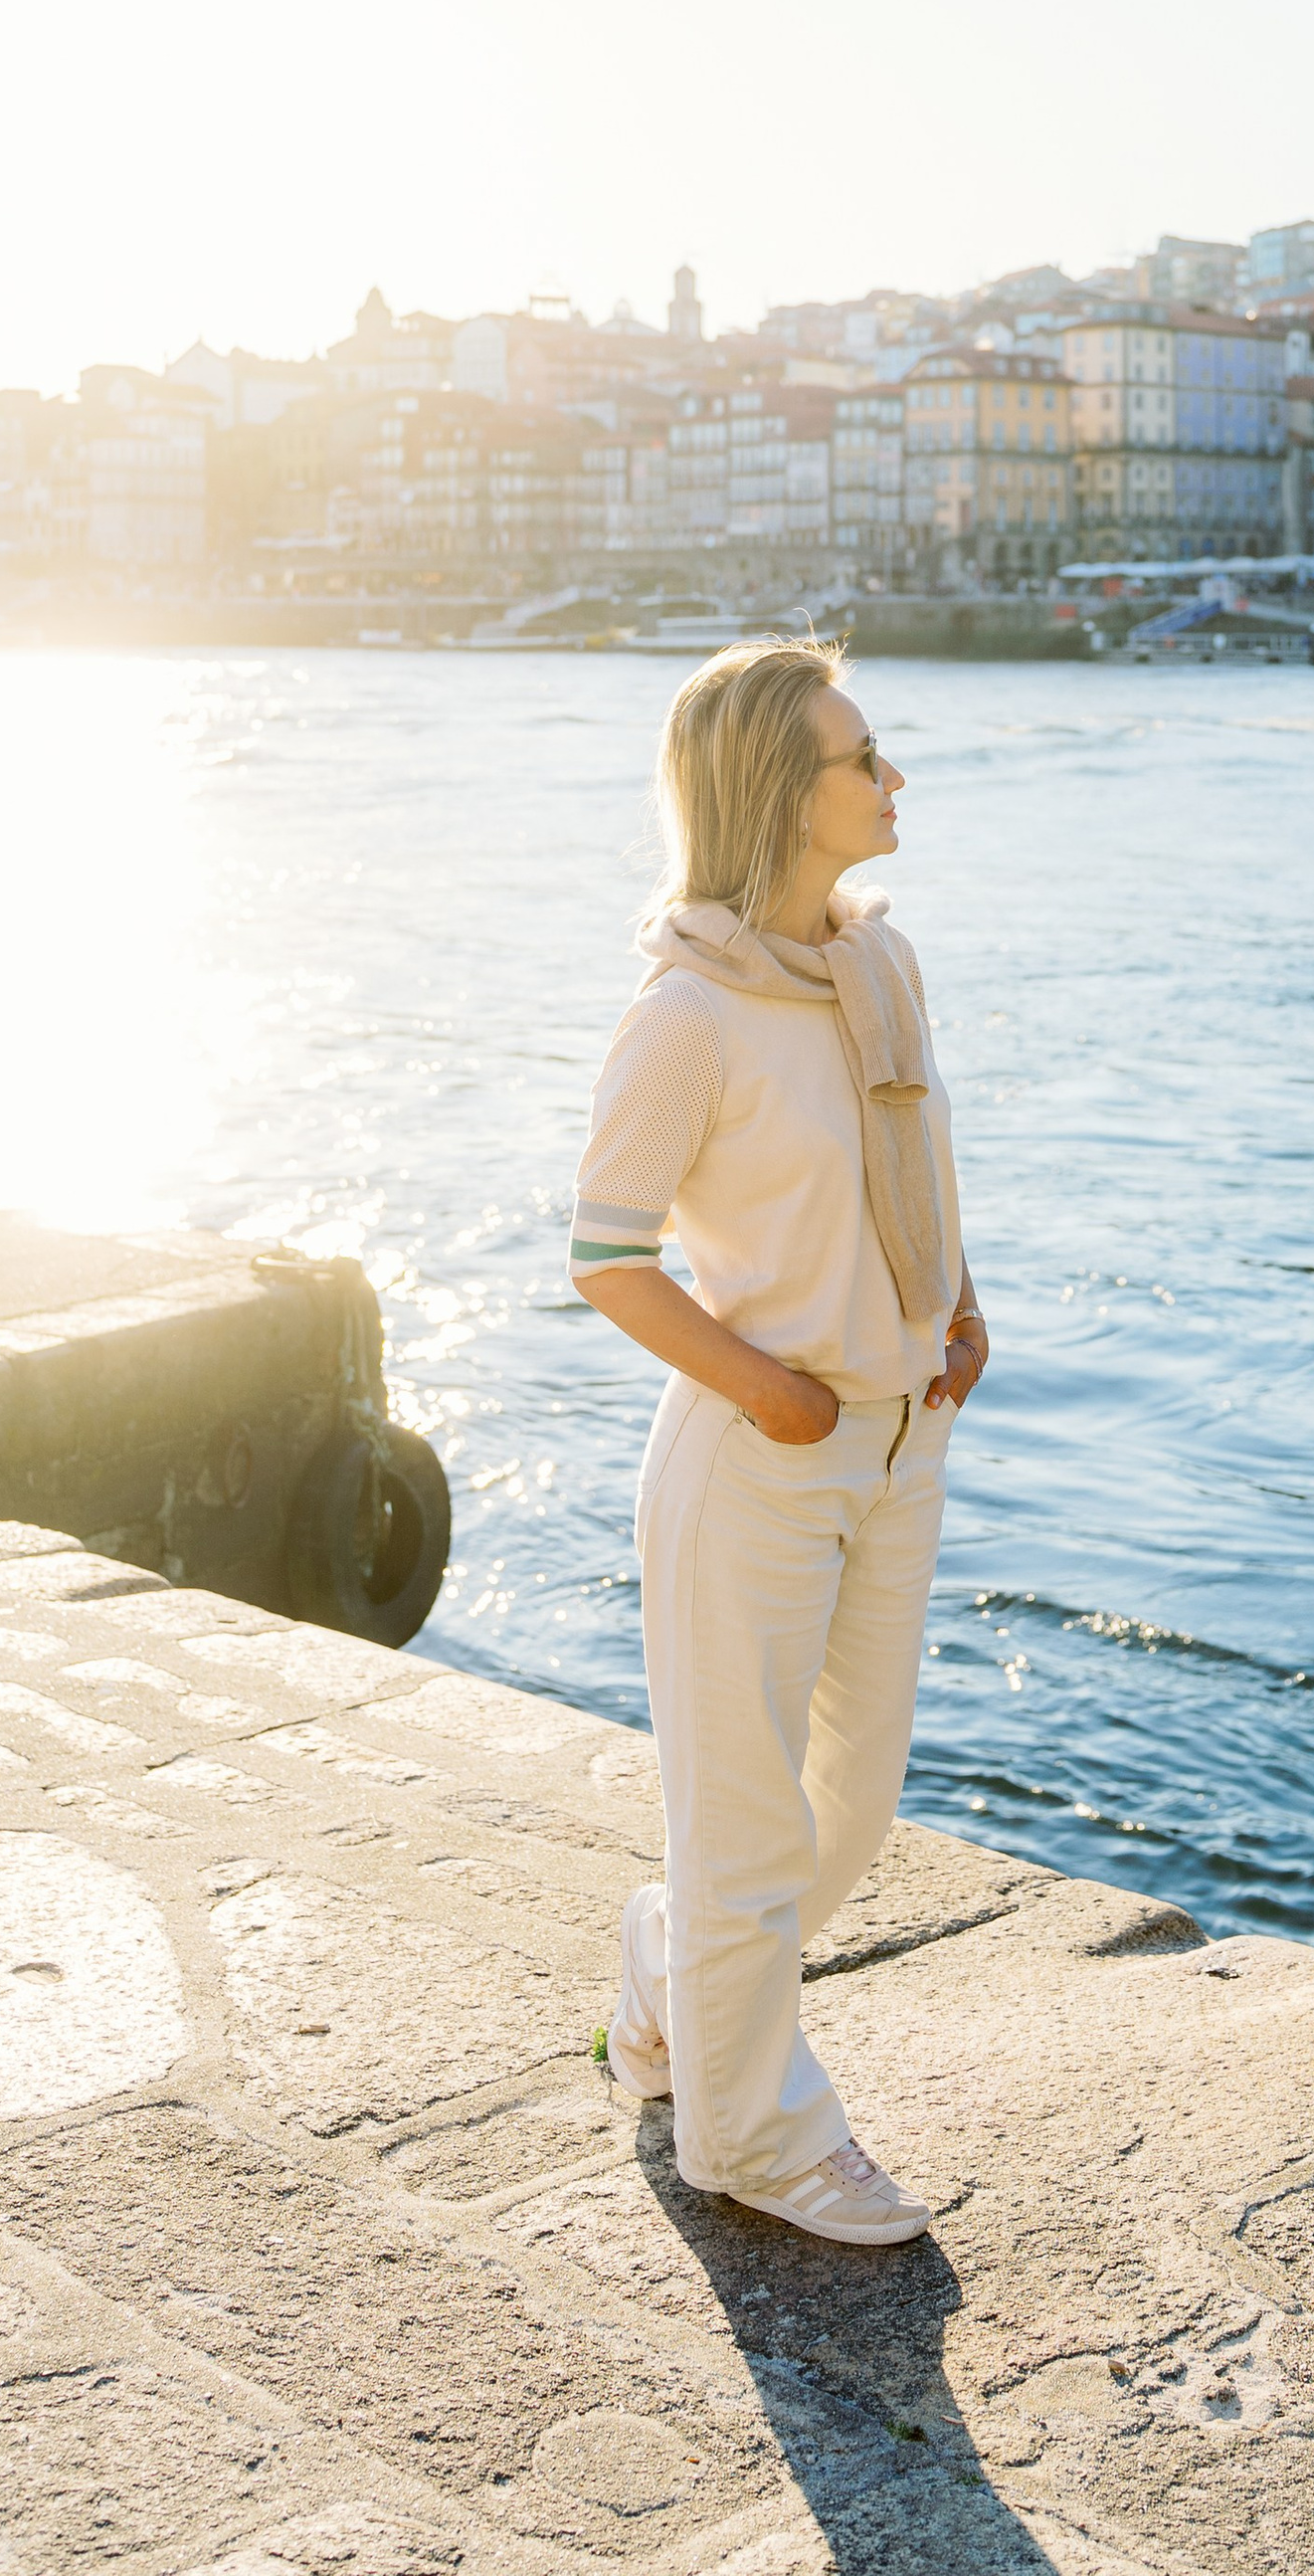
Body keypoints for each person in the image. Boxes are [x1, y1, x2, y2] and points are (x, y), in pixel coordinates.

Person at [568, 639, 988, 2246]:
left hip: (899, 1442)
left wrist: (962, 1297)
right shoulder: (689, 1015)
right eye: (861, 759)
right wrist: (765, 1384)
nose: (893, 782)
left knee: (849, 1817)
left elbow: (915, 1159)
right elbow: (606, 1256)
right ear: (776, 792)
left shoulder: (879, 967)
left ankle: (668, 1967)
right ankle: (751, 2138)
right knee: (750, 1830)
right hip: (762, 1453)